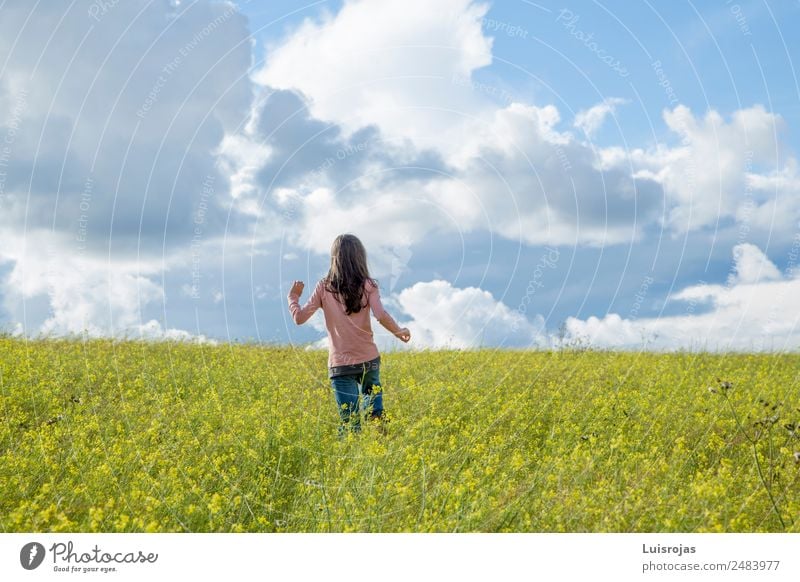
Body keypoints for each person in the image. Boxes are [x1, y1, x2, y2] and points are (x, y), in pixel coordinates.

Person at [287, 234, 411, 435]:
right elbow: (380, 315)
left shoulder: (324, 287)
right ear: (360, 257)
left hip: (340, 366)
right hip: (368, 360)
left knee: (350, 423)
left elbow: (299, 318)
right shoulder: (369, 285)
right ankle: (380, 434)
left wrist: (293, 298)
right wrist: (398, 331)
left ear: (334, 258)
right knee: (375, 410)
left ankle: (353, 453)